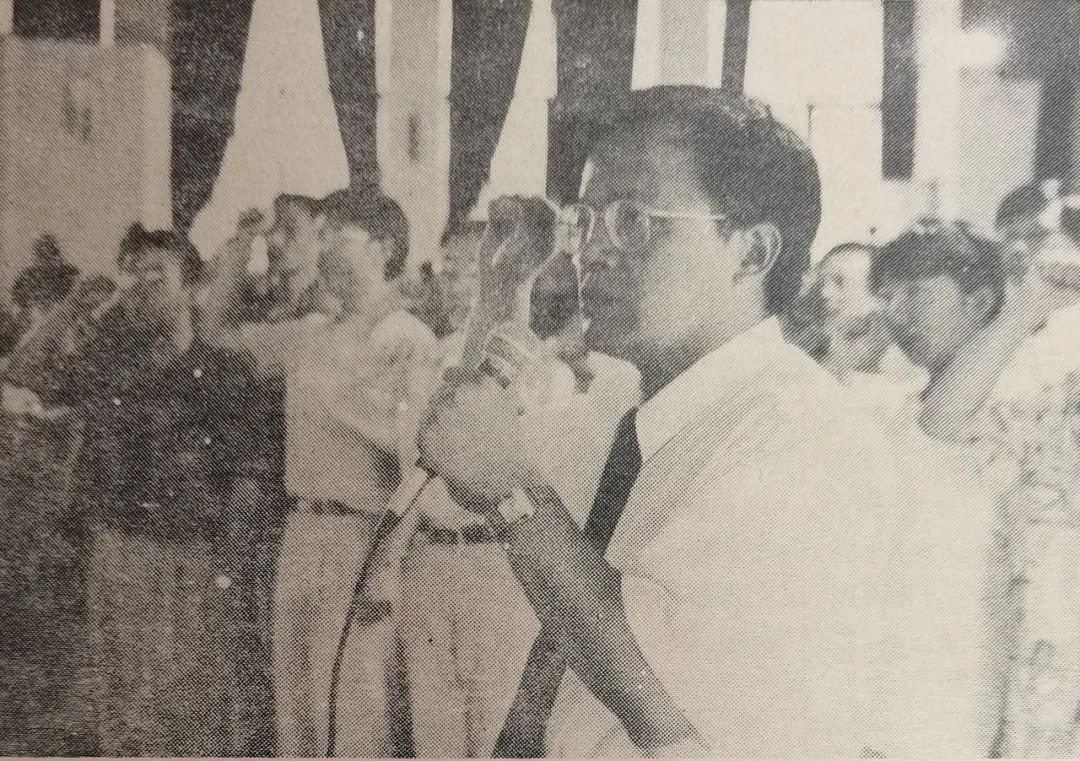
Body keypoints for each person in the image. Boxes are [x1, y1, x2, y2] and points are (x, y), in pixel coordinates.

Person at [417, 85, 898, 757]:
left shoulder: (801, 433)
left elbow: (664, 699)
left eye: (633, 221)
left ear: (751, 252)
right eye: (587, 221)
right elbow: (466, 457)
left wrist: (513, 492)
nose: (592, 252)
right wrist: (500, 291)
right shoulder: (624, 407)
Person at [201, 189, 437, 757]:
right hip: (302, 532)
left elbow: (420, 468)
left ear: (382, 247)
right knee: (297, 717)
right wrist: (243, 245)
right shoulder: (309, 333)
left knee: (355, 718)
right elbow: (215, 332)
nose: (321, 248)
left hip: (365, 540)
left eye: (335, 236)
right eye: (321, 235)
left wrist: (387, 568)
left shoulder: (408, 338)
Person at [398, 241, 639, 758]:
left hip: (502, 558)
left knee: (496, 728)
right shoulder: (451, 354)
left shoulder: (582, 379)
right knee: (434, 734)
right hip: (432, 553)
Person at [46, 227, 260, 756]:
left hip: (192, 558)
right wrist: (74, 307)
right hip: (119, 552)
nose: (140, 285)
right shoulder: (109, 365)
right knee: (121, 712)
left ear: (193, 287)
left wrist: (229, 565)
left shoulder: (227, 372)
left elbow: (248, 477)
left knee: (191, 709)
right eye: (132, 274)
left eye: (156, 275)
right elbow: (32, 375)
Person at [865, 220, 1014, 755]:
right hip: (892, 664)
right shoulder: (898, 402)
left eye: (917, 293)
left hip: (961, 673)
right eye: (888, 297)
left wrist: (1030, 303)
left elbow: (939, 432)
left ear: (979, 303)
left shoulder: (1018, 395)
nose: (896, 314)